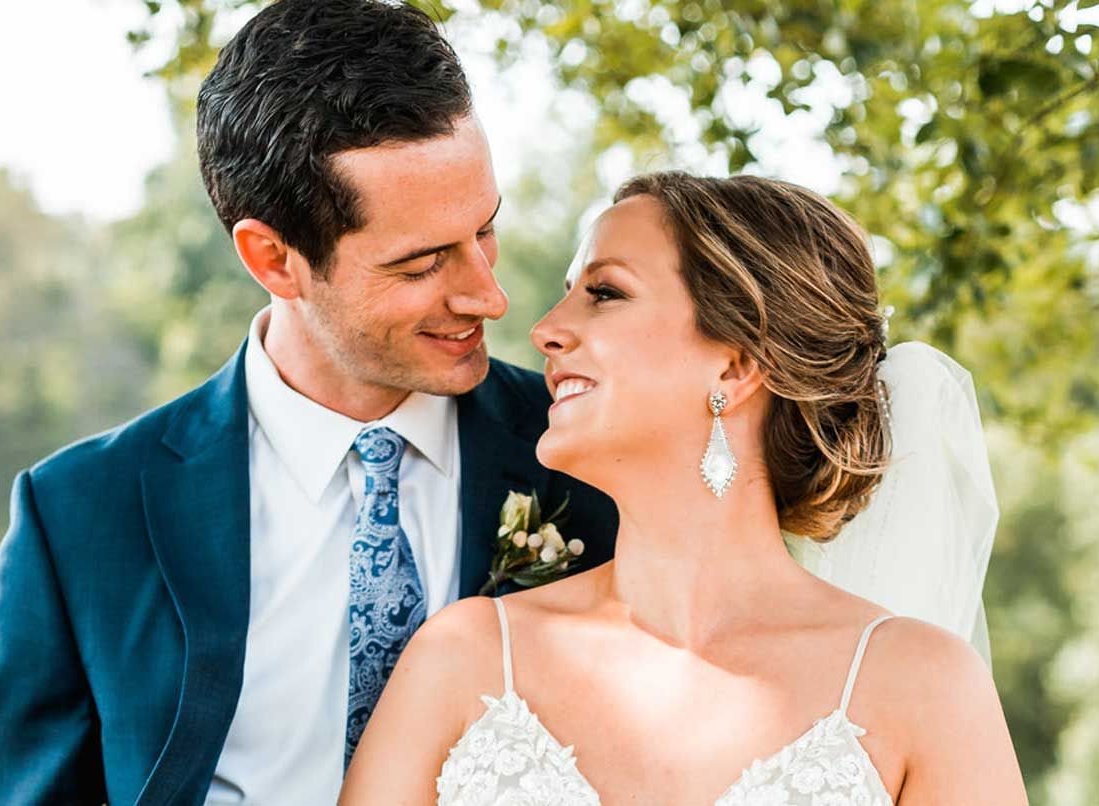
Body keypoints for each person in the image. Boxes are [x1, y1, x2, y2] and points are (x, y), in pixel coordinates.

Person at [0, 2, 616, 803]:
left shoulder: (589, 455)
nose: (489, 295)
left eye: (484, 230)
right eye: (421, 263)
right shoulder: (79, 514)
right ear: (273, 258)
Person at [339, 172, 1028, 804]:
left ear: (734, 365)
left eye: (604, 294)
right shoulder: (465, 655)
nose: (546, 329)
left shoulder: (922, 684)